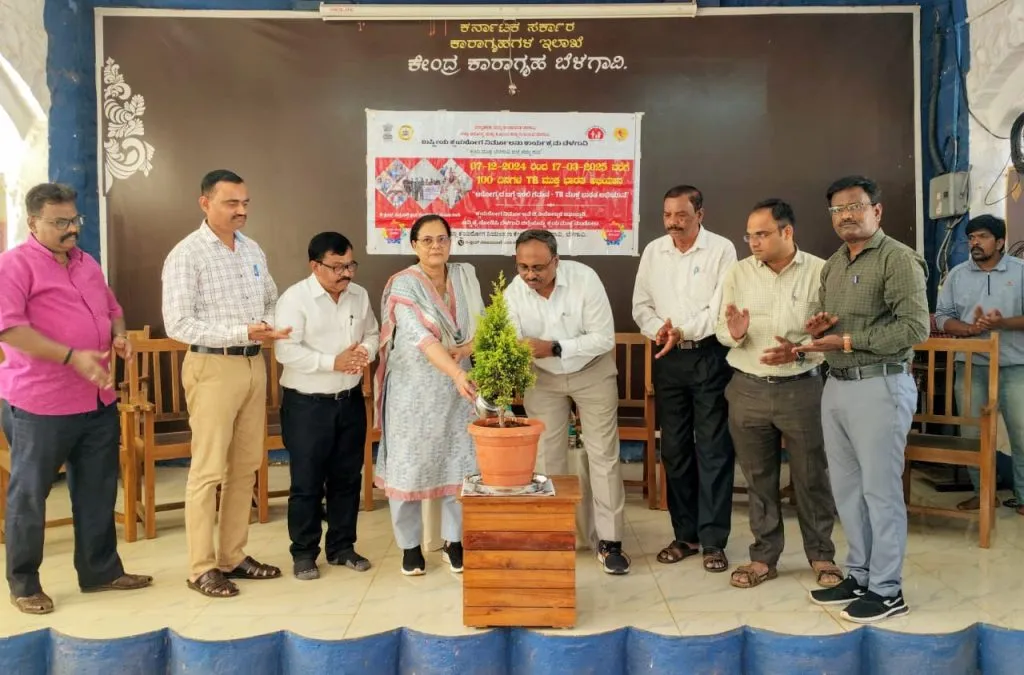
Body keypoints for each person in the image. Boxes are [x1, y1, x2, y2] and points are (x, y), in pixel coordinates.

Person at [0, 183, 152, 615]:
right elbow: (9, 329)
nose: (71, 230)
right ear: (33, 222)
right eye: (60, 222)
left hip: (97, 399)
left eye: (74, 220)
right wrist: (71, 356)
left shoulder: (87, 263)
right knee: (30, 495)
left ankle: (100, 571)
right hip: (39, 404)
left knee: (97, 488)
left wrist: (120, 337)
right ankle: (25, 583)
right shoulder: (13, 266)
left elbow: (113, 309)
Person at [798, 175, 929, 624]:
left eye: (856, 206)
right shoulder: (833, 264)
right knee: (848, 490)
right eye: (837, 210)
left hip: (880, 384)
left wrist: (847, 341)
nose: (846, 216)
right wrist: (818, 333)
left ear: (878, 211)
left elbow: (915, 329)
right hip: (835, 384)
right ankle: (859, 574)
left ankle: (888, 590)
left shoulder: (899, 259)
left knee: (880, 490)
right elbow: (830, 330)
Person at [162, 169, 291, 598]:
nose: (241, 210)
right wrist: (243, 331)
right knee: (208, 471)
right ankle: (201, 568)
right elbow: (179, 323)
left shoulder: (251, 248)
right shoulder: (187, 254)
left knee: (245, 467)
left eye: (246, 203)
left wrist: (267, 327)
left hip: (255, 365)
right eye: (231, 203)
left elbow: (270, 299)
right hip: (212, 368)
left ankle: (231, 557)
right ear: (205, 203)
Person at [715, 199, 840, 590]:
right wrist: (733, 333)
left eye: (762, 234)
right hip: (747, 387)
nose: (753, 242)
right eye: (749, 235)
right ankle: (763, 558)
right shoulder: (738, 272)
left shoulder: (821, 270)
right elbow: (722, 329)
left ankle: (822, 556)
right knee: (758, 479)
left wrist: (816, 334)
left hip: (802, 387)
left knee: (811, 477)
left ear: (787, 232)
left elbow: (833, 332)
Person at [504, 229, 632, 575]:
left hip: (592, 370)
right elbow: (515, 343)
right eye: (523, 267)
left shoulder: (585, 279)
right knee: (547, 456)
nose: (531, 275)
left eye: (539, 267)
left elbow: (603, 338)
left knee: (603, 454)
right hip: (542, 378)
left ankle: (610, 542)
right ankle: (555, 535)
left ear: (556, 261)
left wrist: (554, 346)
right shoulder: (512, 294)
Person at [632, 185, 737, 573]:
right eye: (667, 215)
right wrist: (662, 329)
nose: (673, 222)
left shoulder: (722, 249)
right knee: (674, 450)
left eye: (681, 215)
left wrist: (684, 331)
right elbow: (639, 304)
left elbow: (719, 308)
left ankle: (713, 540)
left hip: (709, 356)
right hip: (667, 358)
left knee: (712, 449)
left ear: (700, 214)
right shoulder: (653, 252)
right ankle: (685, 536)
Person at [374, 214, 483, 575]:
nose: (435, 246)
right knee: (410, 465)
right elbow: (421, 338)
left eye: (442, 239)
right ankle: (409, 547)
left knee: (461, 463)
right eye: (427, 240)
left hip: (458, 389)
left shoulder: (465, 276)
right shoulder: (404, 285)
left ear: (451, 242)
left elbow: (481, 327)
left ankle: (455, 542)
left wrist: (465, 353)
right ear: (413, 245)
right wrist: (454, 371)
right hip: (412, 390)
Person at [275, 232, 380, 580]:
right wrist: (330, 362)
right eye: (337, 267)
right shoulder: (295, 299)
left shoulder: (359, 295)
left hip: (349, 401)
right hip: (307, 406)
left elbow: (373, 333)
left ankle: (342, 547)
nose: (346, 273)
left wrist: (366, 352)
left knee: (347, 479)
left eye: (350, 264)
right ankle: (304, 553)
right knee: (306, 483)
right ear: (315, 266)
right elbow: (285, 351)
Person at [934, 214, 1024, 513]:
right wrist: (968, 329)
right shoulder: (957, 275)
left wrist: (1003, 323)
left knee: (1021, 433)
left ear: (999, 242)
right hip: (970, 365)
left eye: (982, 237)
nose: (974, 242)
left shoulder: (1020, 271)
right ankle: (982, 494)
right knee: (972, 434)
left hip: (1014, 365)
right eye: (971, 237)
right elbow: (943, 316)